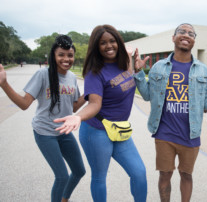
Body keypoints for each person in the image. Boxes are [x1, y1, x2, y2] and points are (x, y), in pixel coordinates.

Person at [133, 23, 207, 202]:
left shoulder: (202, 70)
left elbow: (206, 102)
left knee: (186, 175)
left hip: (190, 133)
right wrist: (139, 72)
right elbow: (148, 95)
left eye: (191, 33)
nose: (186, 35)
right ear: (173, 38)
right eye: (181, 31)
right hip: (164, 132)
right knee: (165, 175)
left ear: (194, 41)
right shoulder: (158, 67)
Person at [54, 25, 147, 202]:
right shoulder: (94, 72)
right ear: (96, 46)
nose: (108, 45)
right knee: (99, 177)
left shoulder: (124, 63)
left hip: (119, 129)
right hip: (96, 131)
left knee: (139, 173)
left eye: (112, 41)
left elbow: (128, 73)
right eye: (103, 43)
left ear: (118, 42)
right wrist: (78, 116)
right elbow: (95, 104)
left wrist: (133, 62)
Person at [0, 35, 86, 202]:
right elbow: (24, 104)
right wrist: (4, 84)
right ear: (54, 56)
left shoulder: (71, 77)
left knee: (79, 171)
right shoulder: (42, 74)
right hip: (45, 132)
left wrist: (90, 94)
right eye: (61, 54)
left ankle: (64, 199)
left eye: (70, 55)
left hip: (63, 132)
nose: (66, 59)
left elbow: (73, 107)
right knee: (61, 176)